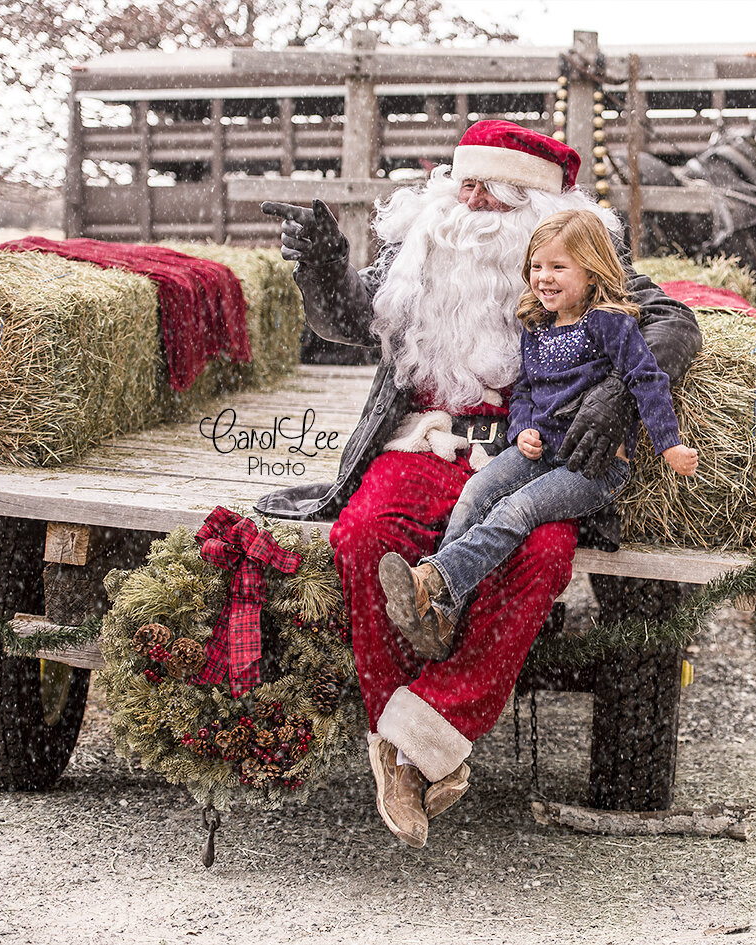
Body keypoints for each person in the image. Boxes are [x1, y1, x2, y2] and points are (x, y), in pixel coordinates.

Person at [258, 120, 701, 849]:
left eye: (488, 191)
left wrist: (617, 392)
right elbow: (346, 317)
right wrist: (321, 267)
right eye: (460, 184)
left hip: (531, 450)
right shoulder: (422, 245)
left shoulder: (573, 256)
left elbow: (672, 322)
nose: (466, 201)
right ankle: (405, 743)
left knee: (539, 556)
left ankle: (424, 737)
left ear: (532, 207)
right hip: (423, 438)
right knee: (364, 536)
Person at [377, 208, 698, 662]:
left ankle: (432, 582)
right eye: (536, 267)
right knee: (476, 492)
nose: (543, 278)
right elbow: (526, 389)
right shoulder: (537, 328)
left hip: (592, 465)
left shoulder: (609, 324)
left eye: (558, 267)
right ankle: (442, 614)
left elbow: (647, 380)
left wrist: (669, 444)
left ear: (592, 271)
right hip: (541, 448)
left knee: (516, 510)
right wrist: (524, 426)